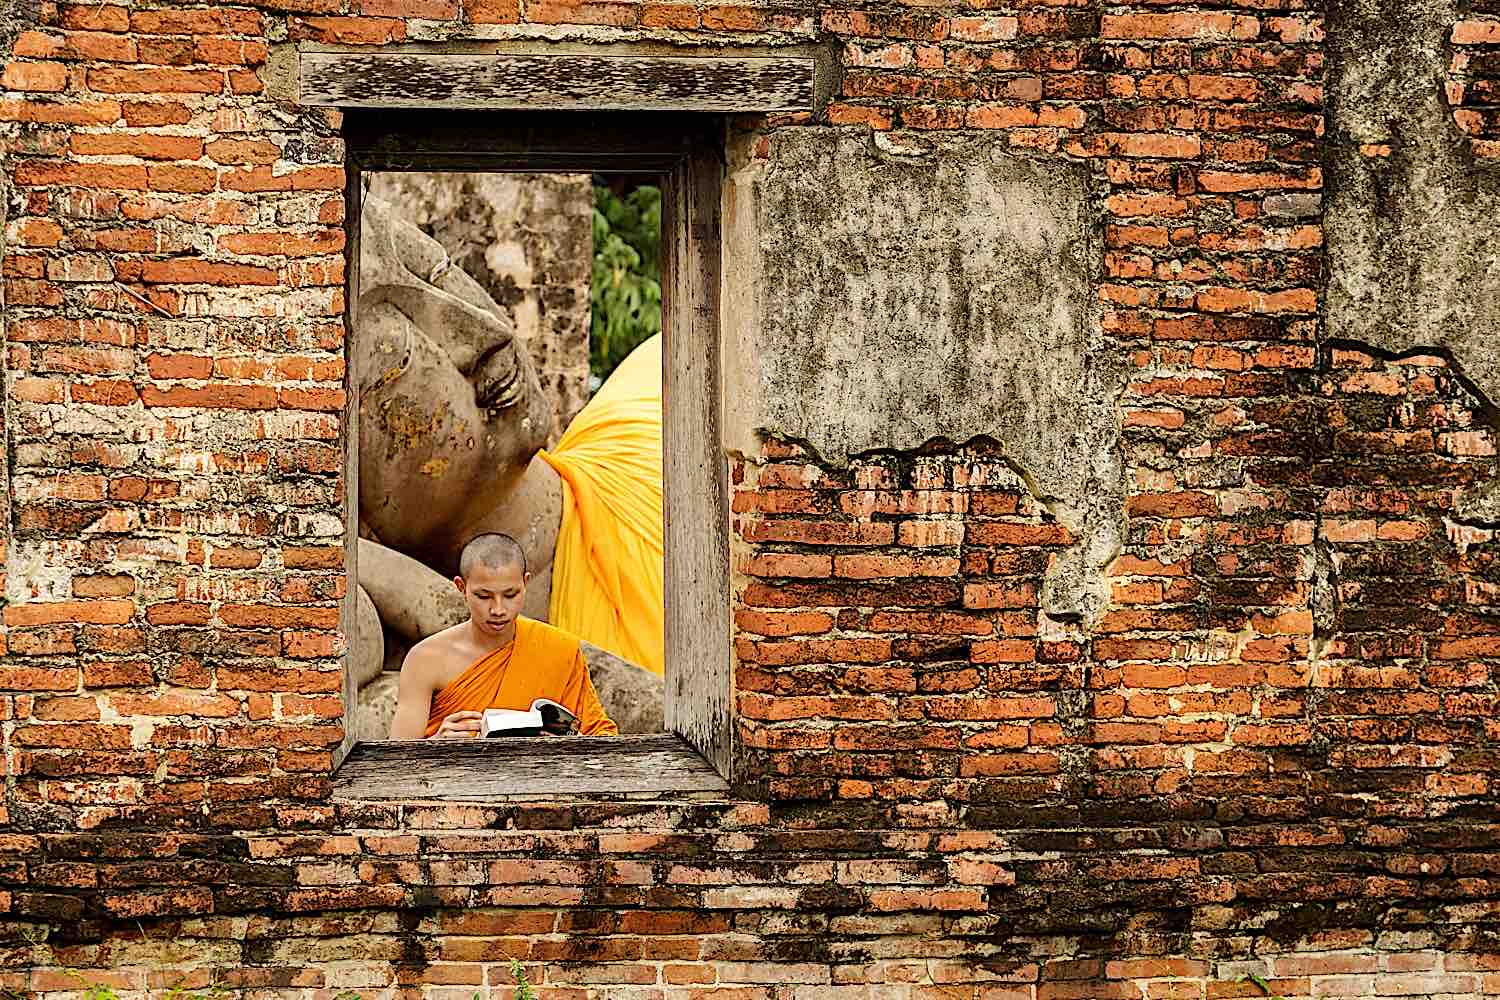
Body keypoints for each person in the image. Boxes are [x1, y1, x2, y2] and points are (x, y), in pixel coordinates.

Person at [387, 533, 619, 739]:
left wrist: (572, 741)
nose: (498, 609)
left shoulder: (559, 649)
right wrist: (436, 745)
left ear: (525, 583)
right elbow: (395, 763)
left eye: (510, 595)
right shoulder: (426, 659)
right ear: (461, 587)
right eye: (484, 596)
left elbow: (603, 739)